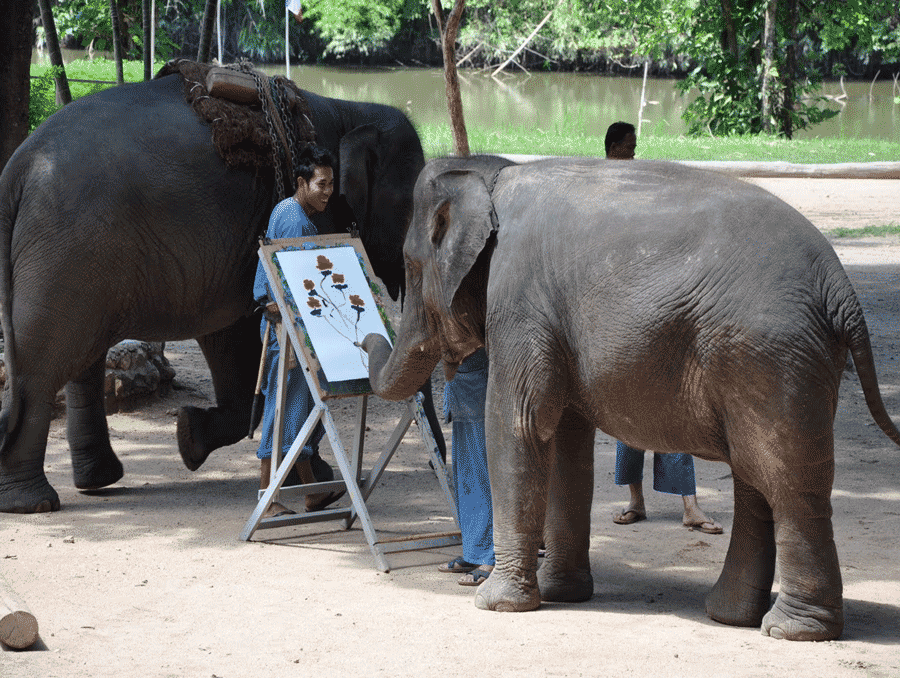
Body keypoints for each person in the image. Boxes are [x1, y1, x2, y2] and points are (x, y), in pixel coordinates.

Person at [605, 121, 723, 535]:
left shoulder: (642, 186)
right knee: (627, 411)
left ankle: (689, 504)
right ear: (614, 148)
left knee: (674, 406)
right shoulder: (603, 192)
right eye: (629, 147)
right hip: (622, 314)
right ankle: (636, 500)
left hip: (655, 306)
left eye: (636, 147)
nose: (634, 153)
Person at [253, 144, 344, 519]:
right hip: (286, 333)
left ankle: (310, 492)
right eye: (321, 184)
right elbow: (293, 288)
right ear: (302, 182)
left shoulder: (290, 213)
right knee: (282, 410)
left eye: (331, 184)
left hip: (291, 329)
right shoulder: (294, 220)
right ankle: (265, 496)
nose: (327, 191)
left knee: (298, 410)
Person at [437, 349, 495, 586]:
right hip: (461, 375)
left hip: (482, 368)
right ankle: (474, 552)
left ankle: (493, 557)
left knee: (485, 471)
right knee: (467, 474)